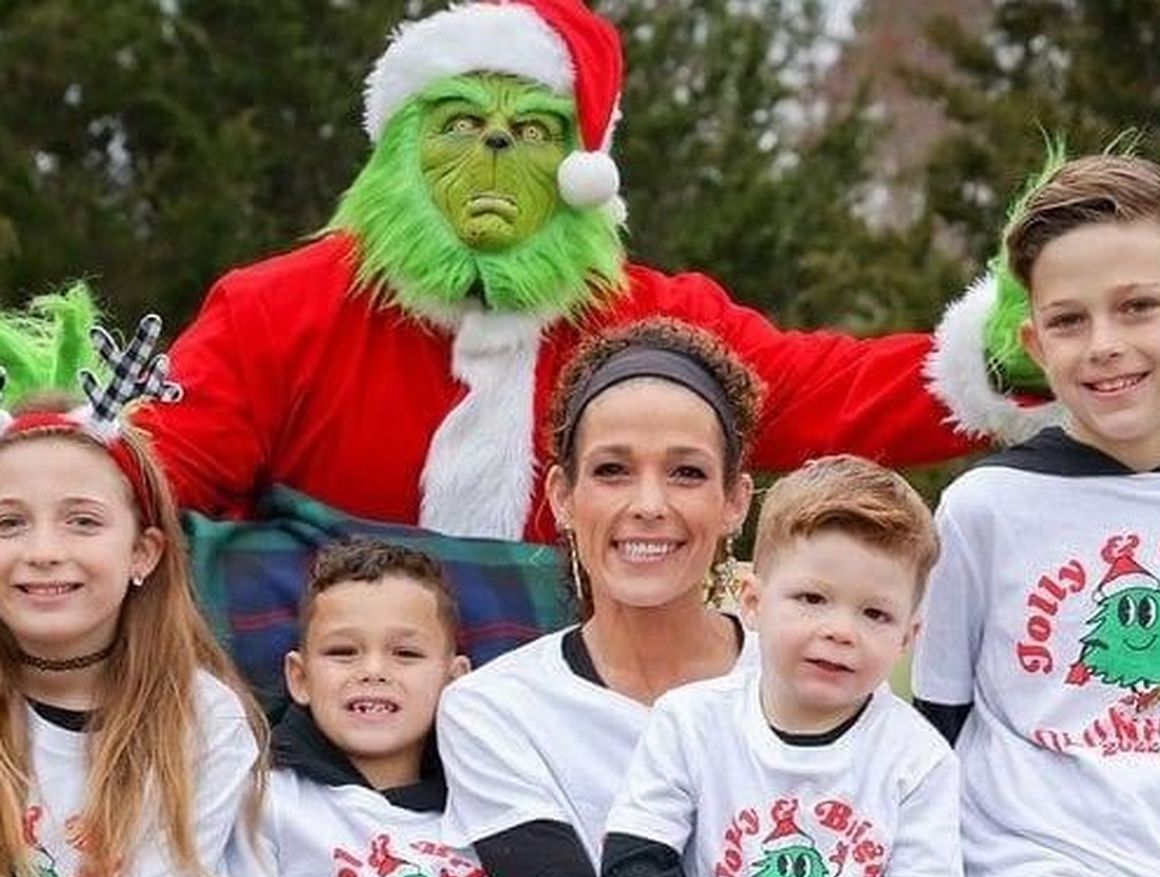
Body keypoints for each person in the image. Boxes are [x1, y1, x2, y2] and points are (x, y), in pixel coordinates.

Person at [136, 0, 1050, 549]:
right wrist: (75, 457)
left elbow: (831, 393)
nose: (496, 146)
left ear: (581, 172)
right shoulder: (279, 308)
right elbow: (145, 482)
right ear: (400, 152)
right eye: (459, 123)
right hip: (316, 720)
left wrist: (1011, 353)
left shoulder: (649, 323)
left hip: (568, 726)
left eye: (532, 131)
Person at [912, 151, 1160, 877]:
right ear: (1037, 345)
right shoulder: (986, 507)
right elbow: (932, 731)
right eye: (1069, 320)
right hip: (1032, 872)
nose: (1103, 344)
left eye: (1138, 307)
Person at [436, 319, 762, 877]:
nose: (649, 505)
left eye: (686, 473)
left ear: (735, 501)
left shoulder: (816, 685)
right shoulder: (493, 711)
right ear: (562, 496)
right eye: (613, 470)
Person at [601, 455, 964, 877]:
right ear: (753, 603)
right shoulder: (689, 722)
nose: (841, 631)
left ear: (906, 638)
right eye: (812, 598)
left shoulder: (920, 761)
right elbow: (635, 863)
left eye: (875, 614)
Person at [0, 308, 265, 877]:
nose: (43, 552)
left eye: (82, 521)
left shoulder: (201, 719)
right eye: (8, 523)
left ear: (143, 554)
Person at [227, 537, 488, 877]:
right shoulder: (265, 801)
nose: (373, 671)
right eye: (343, 651)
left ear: (454, 682)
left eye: (406, 653)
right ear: (300, 679)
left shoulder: (488, 808)